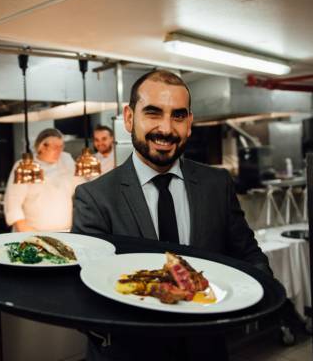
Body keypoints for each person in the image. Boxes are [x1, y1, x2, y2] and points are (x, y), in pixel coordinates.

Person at [72, 70, 272, 361]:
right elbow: (84, 289)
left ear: (189, 124)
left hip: (206, 352)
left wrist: (260, 295)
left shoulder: (217, 184)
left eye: (178, 116)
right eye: (153, 113)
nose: (166, 129)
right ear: (129, 118)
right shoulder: (95, 197)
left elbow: (249, 255)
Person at [4, 128, 78, 232]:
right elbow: (13, 202)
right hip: (33, 232)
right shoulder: (25, 166)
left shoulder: (66, 160)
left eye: (61, 146)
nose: (59, 151)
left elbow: (81, 186)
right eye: (55, 147)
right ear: (42, 147)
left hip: (65, 231)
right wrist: (26, 232)